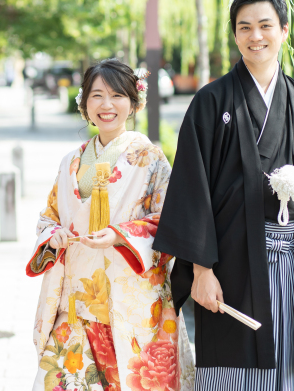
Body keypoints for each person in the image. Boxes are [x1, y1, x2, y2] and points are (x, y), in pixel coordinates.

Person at [153, 0, 294, 390]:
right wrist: (201, 270)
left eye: (265, 25)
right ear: (235, 34)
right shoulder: (211, 103)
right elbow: (191, 189)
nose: (256, 36)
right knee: (230, 363)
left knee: (286, 363)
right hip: (230, 264)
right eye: (244, 27)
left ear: (284, 30)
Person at [26, 59, 195, 391]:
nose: (106, 105)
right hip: (76, 306)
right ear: (84, 104)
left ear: (133, 103)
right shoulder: (70, 161)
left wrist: (120, 236)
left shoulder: (150, 158)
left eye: (117, 96)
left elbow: (173, 223)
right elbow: (49, 216)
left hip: (133, 303)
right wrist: (53, 234)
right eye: (97, 95)